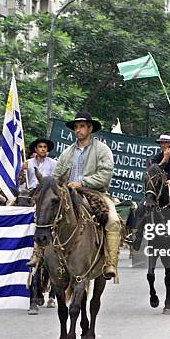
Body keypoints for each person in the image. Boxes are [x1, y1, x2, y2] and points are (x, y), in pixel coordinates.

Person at [47, 112, 120, 280]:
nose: (78, 130)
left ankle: (110, 262)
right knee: (45, 215)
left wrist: (83, 182)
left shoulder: (102, 150)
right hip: (68, 193)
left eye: (81, 127)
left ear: (90, 128)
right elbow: (57, 175)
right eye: (76, 127)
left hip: (95, 193)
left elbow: (105, 175)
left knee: (114, 221)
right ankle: (38, 255)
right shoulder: (66, 153)